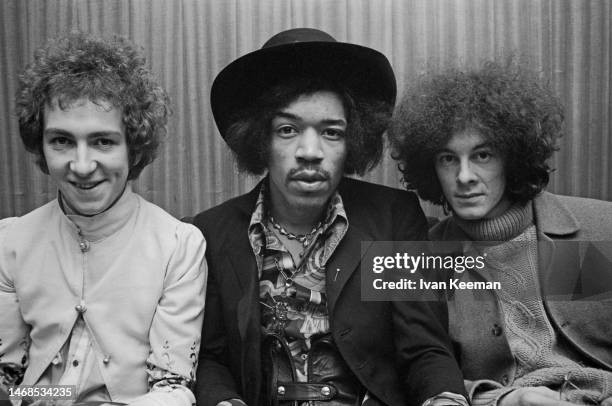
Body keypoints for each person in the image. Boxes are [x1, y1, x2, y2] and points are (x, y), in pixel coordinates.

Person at [191, 28, 468, 406]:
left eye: (331, 132)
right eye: (287, 130)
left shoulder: (390, 219)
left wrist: (446, 400)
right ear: (261, 140)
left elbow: (424, 349)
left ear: (352, 143)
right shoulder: (213, 230)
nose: (310, 151)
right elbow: (209, 358)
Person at [389, 60, 612, 406]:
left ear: (513, 157)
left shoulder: (599, 229)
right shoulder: (422, 258)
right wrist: (502, 400)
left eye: (482, 155)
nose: (464, 176)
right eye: (448, 159)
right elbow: (413, 372)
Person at [0, 33, 207, 406]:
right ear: (40, 145)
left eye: (103, 142)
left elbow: (174, 390)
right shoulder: (10, 242)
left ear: (135, 144)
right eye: (61, 141)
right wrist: (48, 396)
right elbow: (9, 382)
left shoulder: (178, 245)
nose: (81, 166)